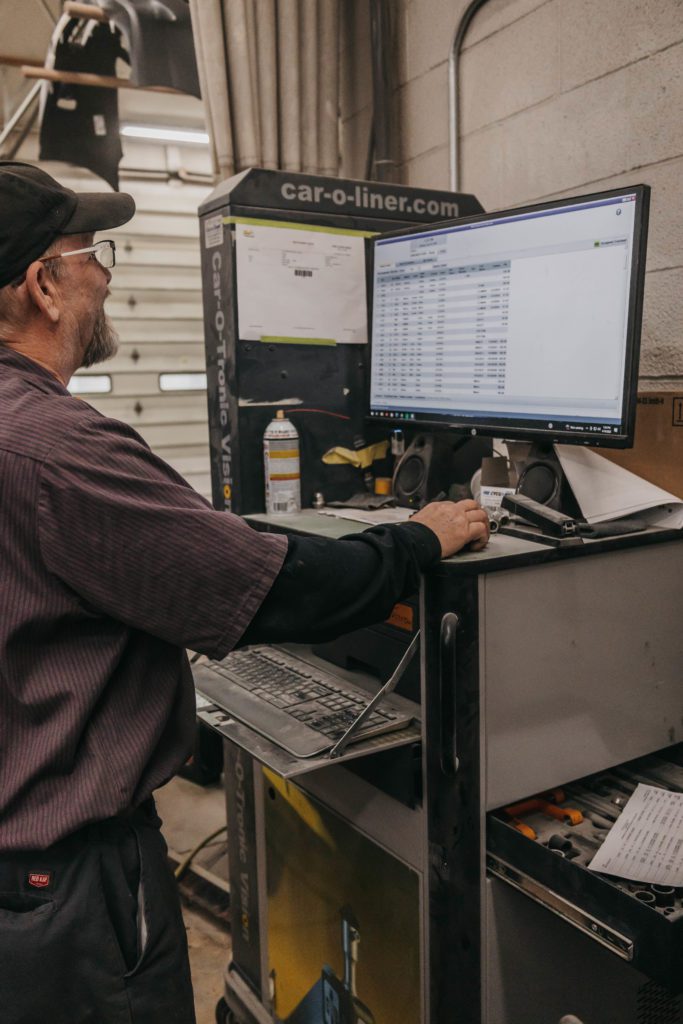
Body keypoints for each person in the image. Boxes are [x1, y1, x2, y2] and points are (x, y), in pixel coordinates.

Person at [0, 161, 490, 1024]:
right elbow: (271, 588)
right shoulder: (54, 446)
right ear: (44, 284)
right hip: (65, 890)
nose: (105, 277)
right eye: (93, 254)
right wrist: (420, 538)